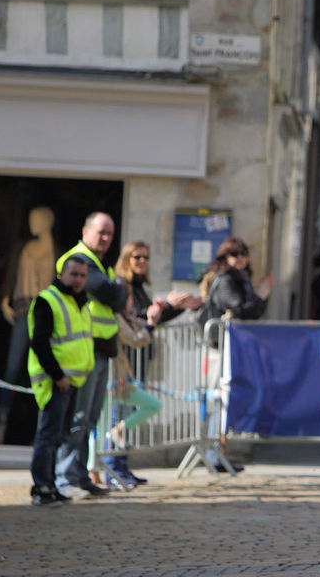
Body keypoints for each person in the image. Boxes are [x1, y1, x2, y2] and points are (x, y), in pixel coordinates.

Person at [103, 241, 201, 488]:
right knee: (119, 416)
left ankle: (122, 466)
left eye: (146, 257)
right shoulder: (121, 285)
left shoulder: (137, 286)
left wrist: (176, 307)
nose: (142, 261)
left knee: (127, 416)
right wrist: (165, 306)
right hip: (124, 360)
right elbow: (138, 317)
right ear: (126, 259)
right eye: (137, 257)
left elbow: (152, 318)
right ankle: (113, 469)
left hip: (138, 358)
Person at [53, 212, 129, 498]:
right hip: (79, 355)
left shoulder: (98, 264)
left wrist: (117, 292)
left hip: (98, 353)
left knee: (89, 420)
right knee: (76, 417)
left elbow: (117, 296)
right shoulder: (78, 260)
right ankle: (64, 477)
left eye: (110, 233)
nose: (106, 238)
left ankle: (79, 475)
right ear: (86, 231)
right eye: (101, 232)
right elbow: (112, 295)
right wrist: (118, 291)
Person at [197, 237, 273, 472]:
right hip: (218, 347)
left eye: (243, 254)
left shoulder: (241, 278)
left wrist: (258, 298)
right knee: (216, 399)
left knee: (225, 399)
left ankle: (218, 452)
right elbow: (240, 308)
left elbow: (249, 310)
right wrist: (260, 296)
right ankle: (210, 453)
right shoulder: (227, 279)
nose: (240, 258)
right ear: (225, 258)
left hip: (230, 348)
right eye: (234, 255)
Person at [27, 255, 94, 506]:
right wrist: (58, 376)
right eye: (73, 274)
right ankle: (41, 486)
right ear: (61, 274)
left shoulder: (78, 301)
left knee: (59, 435)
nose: (78, 280)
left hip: (73, 380)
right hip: (56, 380)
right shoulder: (48, 300)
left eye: (82, 275)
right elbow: (40, 343)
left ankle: (51, 484)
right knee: (48, 435)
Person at [0, 205, 56, 444]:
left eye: (37, 219)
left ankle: (40, 430)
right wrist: (4, 299)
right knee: (13, 369)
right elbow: (13, 274)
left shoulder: (57, 252)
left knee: (43, 371)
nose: (33, 223)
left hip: (46, 315)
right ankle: (2, 424)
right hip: (23, 311)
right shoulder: (25, 248)